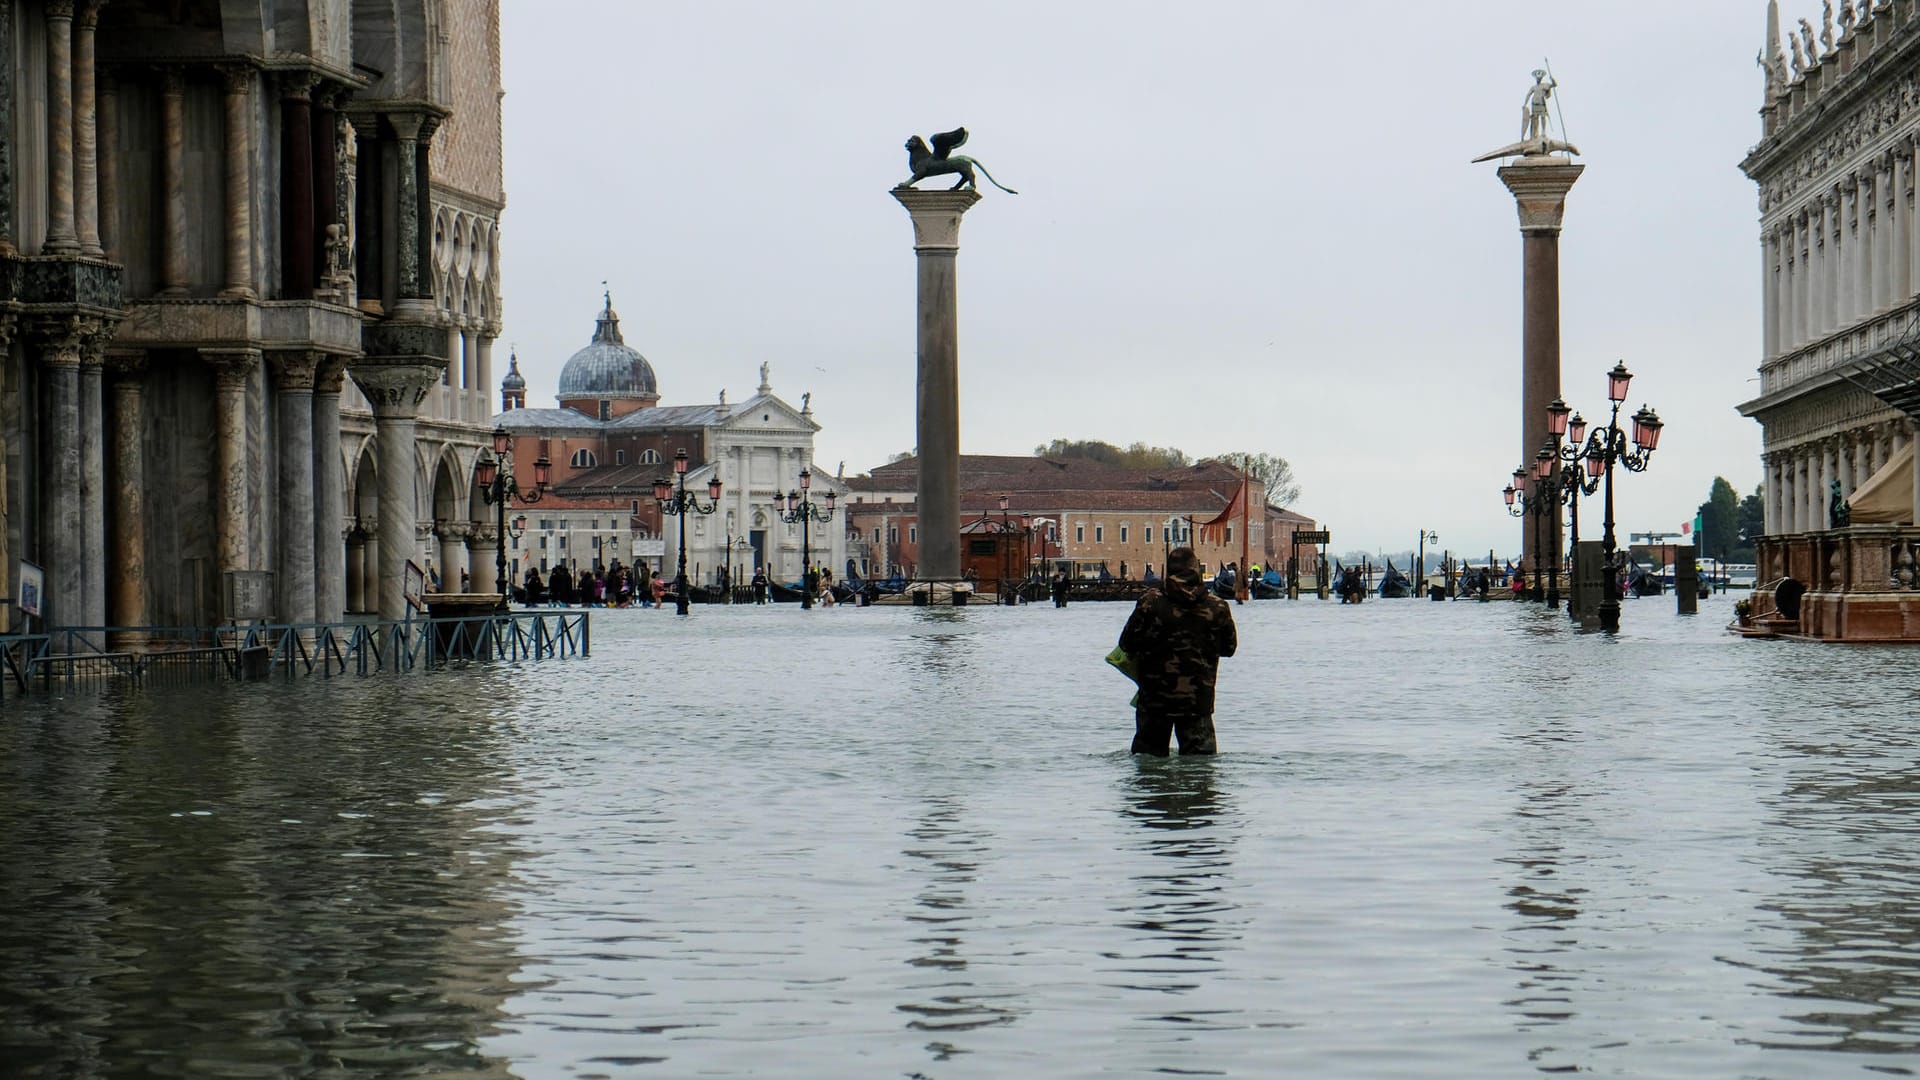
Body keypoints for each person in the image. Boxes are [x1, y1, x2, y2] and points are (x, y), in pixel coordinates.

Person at [1118, 546, 1237, 756]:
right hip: (1197, 700)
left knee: (1149, 770)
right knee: (1200, 772)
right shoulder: (1217, 607)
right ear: (1195, 568)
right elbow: (1229, 649)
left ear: (1169, 570)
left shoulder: (1149, 603)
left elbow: (1127, 644)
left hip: (1155, 699)